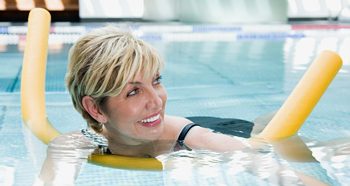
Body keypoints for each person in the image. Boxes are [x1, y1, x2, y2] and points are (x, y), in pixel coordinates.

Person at [36, 26, 327, 185]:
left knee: (273, 142)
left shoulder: (188, 135)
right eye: (133, 92)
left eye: (156, 80)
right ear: (96, 109)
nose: (157, 100)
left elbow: (277, 174)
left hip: (217, 130)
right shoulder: (75, 145)